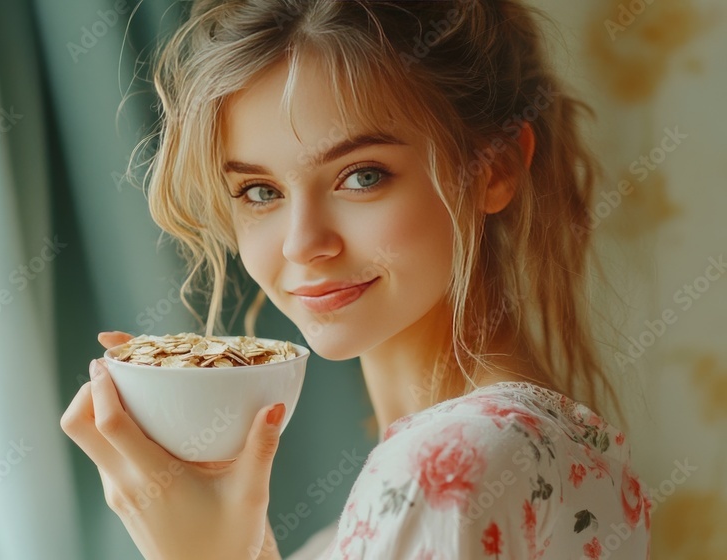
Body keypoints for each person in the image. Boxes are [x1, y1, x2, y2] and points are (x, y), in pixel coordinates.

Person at [61, 1, 653, 558]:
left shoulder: (442, 467)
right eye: (260, 191)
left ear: (492, 169)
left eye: (362, 176)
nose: (301, 243)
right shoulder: (546, 452)